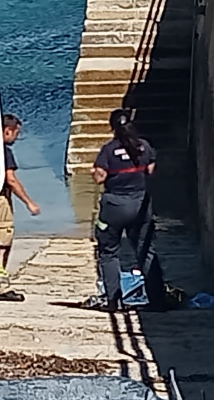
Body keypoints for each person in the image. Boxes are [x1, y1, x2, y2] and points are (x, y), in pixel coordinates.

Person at [84, 108, 157, 312]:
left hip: (115, 206)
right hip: (141, 204)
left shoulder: (109, 150)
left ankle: (113, 300)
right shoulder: (144, 146)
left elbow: (99, 177)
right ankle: (157, 299)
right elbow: (151, 170)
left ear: (112, 127)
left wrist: (94, 172)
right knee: (145, 250)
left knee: (108, 253)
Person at [0, 114, 41, 301]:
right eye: (16, 133)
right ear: (7, 131)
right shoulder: (3, 151)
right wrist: (29, 202)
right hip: (0, 199)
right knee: (3, 240)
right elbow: (11, 180)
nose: (16, 138)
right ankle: (0, 285)